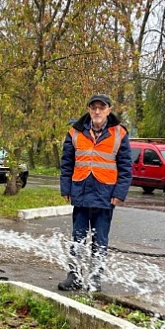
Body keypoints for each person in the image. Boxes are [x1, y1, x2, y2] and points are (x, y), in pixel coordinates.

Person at [58, 94, 132, 291]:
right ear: (89, 110)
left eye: (101, 108)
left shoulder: (119, 133)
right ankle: (74, 276)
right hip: (81, 192)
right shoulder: (75, 132)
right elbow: (67, 163)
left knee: (100, 239)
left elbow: (126, 167)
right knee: (78, 238)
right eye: (94, 108)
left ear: (108, 110)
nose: (97, 111)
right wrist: (66, 188)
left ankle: (94, 278)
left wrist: (120, 193)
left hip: (105, 194)